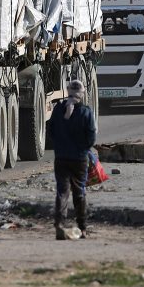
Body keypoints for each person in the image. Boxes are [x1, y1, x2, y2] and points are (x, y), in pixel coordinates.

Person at [47, 79, 97, 240]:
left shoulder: (58, 109)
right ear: (81, 94)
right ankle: (82, 228)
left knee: (62, 191)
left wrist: (60, 145)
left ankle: (59, 225)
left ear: (68, 92)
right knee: (79, 191)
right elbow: (91, 137)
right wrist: (83, 149)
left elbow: (51, 131)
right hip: (79, 159)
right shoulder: (86, 112)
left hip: (61, 158)